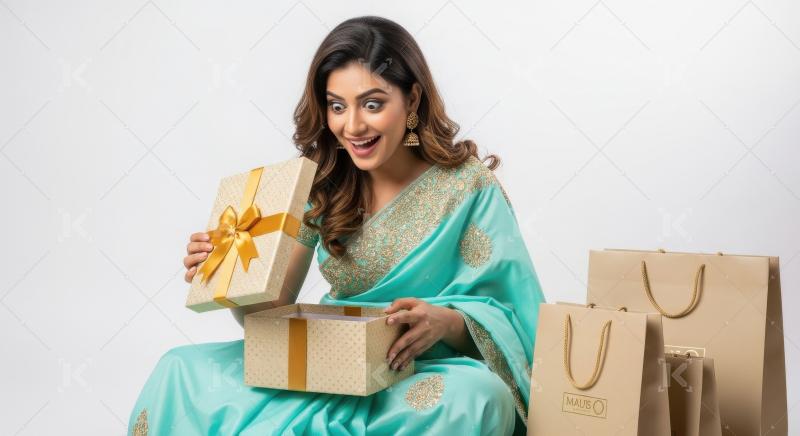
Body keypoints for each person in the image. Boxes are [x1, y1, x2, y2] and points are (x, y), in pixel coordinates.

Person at [129, 15, 545, 436]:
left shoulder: (468, 185)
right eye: (337, 106)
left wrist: (446, 322)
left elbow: (513, 314)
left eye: (373, 104)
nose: (353, 126)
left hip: (419, 372)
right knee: (179, 369)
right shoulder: (321, 183)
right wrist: (231, 276)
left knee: (480, 396)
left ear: (413, 99)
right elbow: (272, 314)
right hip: (329, 362)